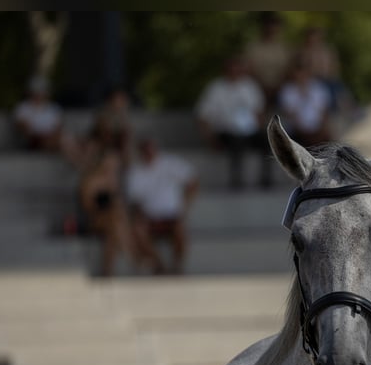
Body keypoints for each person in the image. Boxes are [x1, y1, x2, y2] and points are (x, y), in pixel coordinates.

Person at [195, 56, 270, 189]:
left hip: (249, 131)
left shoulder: (250, 86)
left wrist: (258, 125)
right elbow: (203, 115)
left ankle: (266, 179)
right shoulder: (216, 88)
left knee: (267, 140)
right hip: (226, 132)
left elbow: (259, 112)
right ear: (225, 70)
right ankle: (237, 181)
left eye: (237, 69)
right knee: (237, 143)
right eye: (231, 69)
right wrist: (209, 138)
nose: (234, 72)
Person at [126, 139, 198, 275]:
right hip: (150, 217)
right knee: (137, 231)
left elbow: (193, 180)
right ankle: (159, 264)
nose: (149, 154)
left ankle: (178, 266)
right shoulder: (136, 171)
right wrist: (139, 215)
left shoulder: (170, 164)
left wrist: (186, 203)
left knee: (180, 230)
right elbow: (135, 200)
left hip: (172, 215)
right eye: (145, 151)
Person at [78, 148, 134, 277]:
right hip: (94, 220)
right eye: (109, 163)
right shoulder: (90, 181)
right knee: (115, 221)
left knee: (113, 233)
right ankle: (131, 254)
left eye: (114, 165)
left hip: (112, 221)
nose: (112, 167)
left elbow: (119, 204)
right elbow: (88, 207)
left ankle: (108, 271)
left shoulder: (114, 181)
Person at [242, 11, 293, 111]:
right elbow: (249, 69)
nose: (271, 29)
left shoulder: (286, 48)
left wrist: (278, 86)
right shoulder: (252, 47)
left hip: (280, 88)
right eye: (268, 25)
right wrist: (262, 86)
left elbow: (290, 70)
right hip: (257, 87)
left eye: (275, 26)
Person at [277, 56, 333, 147]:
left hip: (318, 130)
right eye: (299, 71)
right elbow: (289, 115)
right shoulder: (287, 91)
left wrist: (322, 127)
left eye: (304, 71)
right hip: (298, 132)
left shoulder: (318, 88)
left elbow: (324, 112)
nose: (302, 75)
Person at [12, 75, 63, 152]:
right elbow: (23, 129)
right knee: (65, 143)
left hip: (52, 138)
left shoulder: (54, 108)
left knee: (66, 141)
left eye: (42, 90)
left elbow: (59, 128)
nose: (40, 94)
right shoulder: (23, 107)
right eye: (37, 90)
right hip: (35, 140)